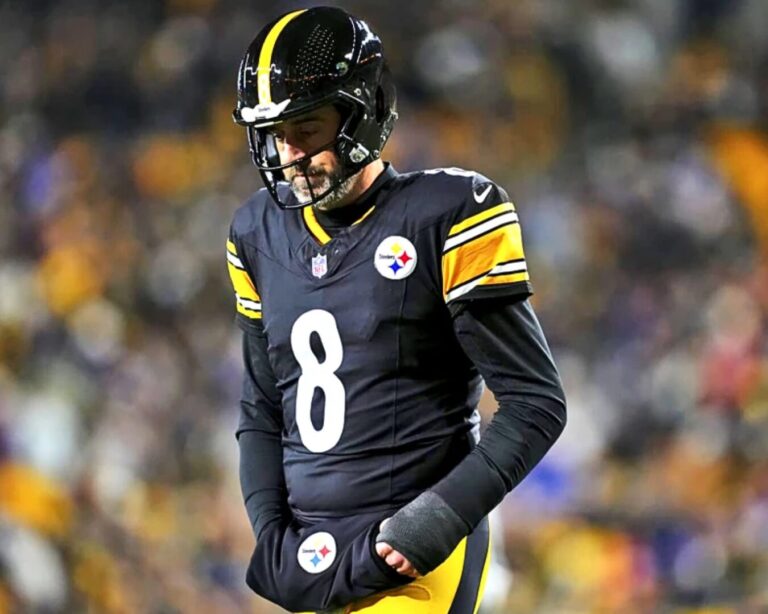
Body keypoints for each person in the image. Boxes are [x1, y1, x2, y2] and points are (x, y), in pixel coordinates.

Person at [226, 6, 566, 613]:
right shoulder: (256, 232)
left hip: (411, 558)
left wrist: (436, 519)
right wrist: (269, 529)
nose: (289, 152)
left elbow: (535, 402)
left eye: (306, 127)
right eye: (274, 132)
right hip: (309, 557)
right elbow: (262, 405)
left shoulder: (449, 213)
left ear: (363, 112)